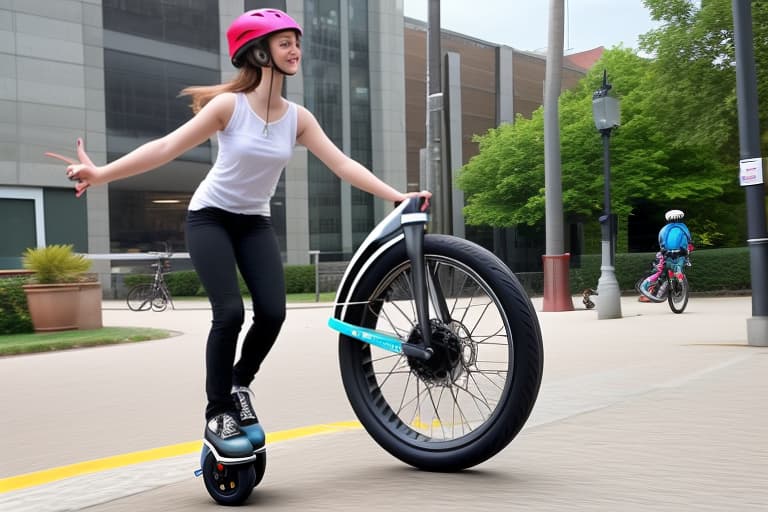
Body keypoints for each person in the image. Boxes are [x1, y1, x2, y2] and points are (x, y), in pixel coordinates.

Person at [45, 8, 430, 461]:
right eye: (285, 43)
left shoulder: (297, 118)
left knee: (272, 313)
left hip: (253, 222)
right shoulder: (230, 107)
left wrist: (397, 197)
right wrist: (101, 173)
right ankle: (217, 413)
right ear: (259, 51)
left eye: (297, 42)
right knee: (228, 314)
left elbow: (342, 164)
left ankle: (238, 384)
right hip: (209, 217)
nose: (295, 51)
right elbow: (165, 148)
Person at [638, 209, 693, 301]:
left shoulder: (664, 229)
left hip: (666, 255)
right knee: (676, 270)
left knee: (662, 273)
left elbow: (661, 243)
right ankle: (674, 286)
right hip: (681, 254)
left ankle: (652, 292)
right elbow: (689, 242)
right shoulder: (684, 228)